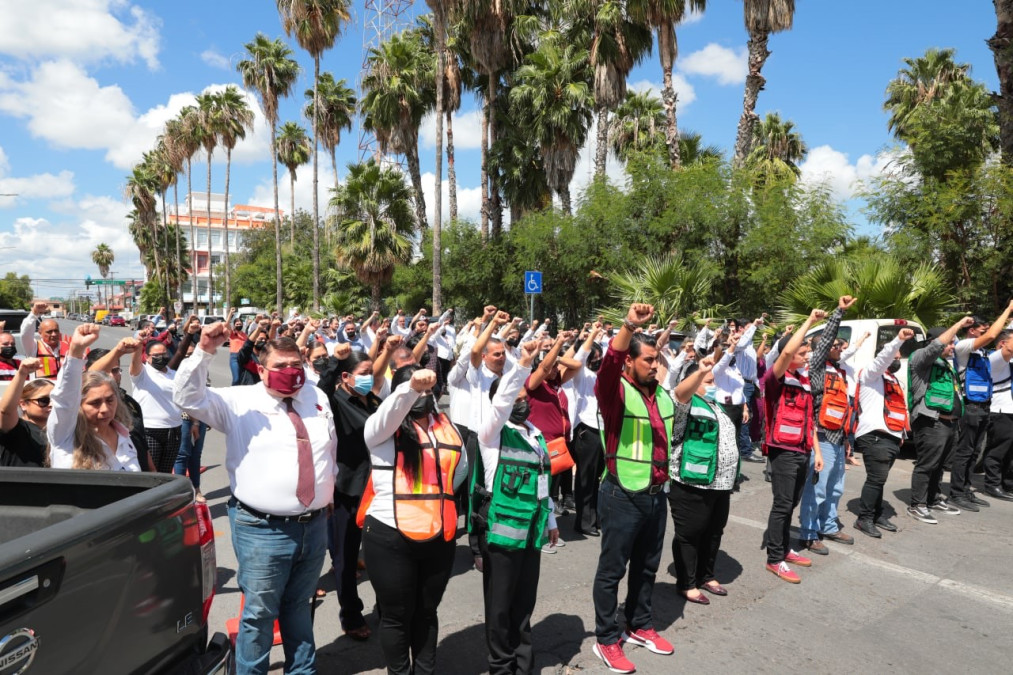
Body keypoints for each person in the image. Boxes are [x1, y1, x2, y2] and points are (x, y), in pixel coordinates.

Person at [174, 326, 337, 675]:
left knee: (298, 607)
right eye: (280, 365)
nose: (290, 370)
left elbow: (327, 452)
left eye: (295, 363)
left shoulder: (316, 396)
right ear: (261, 370)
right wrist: (203, 351)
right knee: (260, 615)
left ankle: (302, 671)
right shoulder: (238, 401)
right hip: (263, 530)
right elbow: (187, 397)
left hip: (314, 525)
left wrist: (329, 491)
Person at [359, 365, 467, 675]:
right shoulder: (382, 427)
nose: (423, 395)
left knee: (426, 612)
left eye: (428, 390)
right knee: (396, 615)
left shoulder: (448, 427)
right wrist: (409, 389)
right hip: (390, 535)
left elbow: (459, 471)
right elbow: (390, 413)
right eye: (415, 389)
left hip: (439, 534)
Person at [591, 303, 675, 674]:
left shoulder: (658, 393)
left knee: (647, 568)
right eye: (647, 361)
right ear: (630, 362)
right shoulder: (615, 392)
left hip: (657, 495)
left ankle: (639, 624)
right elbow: (608, 364)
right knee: (612, 571)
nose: (654, 366)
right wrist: (628, 325)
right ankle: (607, 639)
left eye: (657, 360)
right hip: (621, 494)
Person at [471, 340, 558, 674]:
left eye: (525, 400)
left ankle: (523, 665)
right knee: (500, 607)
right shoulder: (491, 433)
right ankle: (502, 667)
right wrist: (522, 365)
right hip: (503, 535)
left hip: (532, 532)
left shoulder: (535, 434)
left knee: (524, 604)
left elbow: (542, 481)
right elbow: (504, 400)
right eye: (515, 400)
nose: (522, 405)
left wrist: (550, 519)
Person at [316, 340, 394, 641]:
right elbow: (321, 390)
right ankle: (350, 615)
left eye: (370, 372)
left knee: (381, 556)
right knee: (346, 560)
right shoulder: (334, 402)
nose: (367, 377)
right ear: (346, 378)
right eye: (361, 373)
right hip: (346, 492)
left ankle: (386, 610)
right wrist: (335, 362)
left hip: (378, 491)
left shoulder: (372, 402)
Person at [761, 309, 826, 584]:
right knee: (782, 504)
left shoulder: (804, 381)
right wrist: (809, 322)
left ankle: (785, 549)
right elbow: (785, 355)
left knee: (792, 503)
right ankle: (775, 559)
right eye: (803, 352)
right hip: (782, 451)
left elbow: (809, 420)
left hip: (802, 451)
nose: (806, 355)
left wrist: (818, 451)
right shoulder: (774, 378)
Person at [667, 354, 737, 605]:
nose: (713, 384)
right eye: (707, 381)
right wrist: (698, 373)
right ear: (693, 381)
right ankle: (686, 583)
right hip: (691, 483)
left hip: (720, 484)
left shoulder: (715, 405)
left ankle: (706, 575)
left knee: (714, 531)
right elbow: (678, 396)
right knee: (690, 533)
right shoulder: (685, 404)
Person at [798, 296, 857, 555]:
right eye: (834, 345)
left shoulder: (839, 371)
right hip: (820, 437)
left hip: (837, 437)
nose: (840, 347)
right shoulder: (817, 367)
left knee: (835, 488)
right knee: (817, 489)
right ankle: (809, 532)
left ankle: (829, 525)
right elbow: (823, 346)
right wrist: (839, 313)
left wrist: (847, 441)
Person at [47, 324, 143, 471]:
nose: (105, 409)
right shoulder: (65, 435)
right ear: (78, 405)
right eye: (95, 403)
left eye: (110, 400)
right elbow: (65, 399)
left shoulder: (123, 435)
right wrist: (76, 350)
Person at [905, 317, 973, 521]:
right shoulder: (920, 358)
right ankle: (917, 504)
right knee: (927, 464)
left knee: (940, 464)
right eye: (951, 342)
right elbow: (936, 346)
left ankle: (933, 499)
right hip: (931, 421)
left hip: (949, 423)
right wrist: (959, 325)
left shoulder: (946, 364)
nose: (953, 346)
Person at [949, 303, 1013, 508]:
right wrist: (1008, 310)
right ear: (972, 330)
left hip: (983, 406)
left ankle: (966, 490)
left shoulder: (983, 353)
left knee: (975, 452)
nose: (987, 329)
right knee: (965, 451)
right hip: (970, 405)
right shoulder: (963, 347)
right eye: (982, 326)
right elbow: (999, 340)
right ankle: (956, 493)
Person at [852, 328, 915, 538]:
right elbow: (884, 357)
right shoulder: (871, 374)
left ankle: (877, 514)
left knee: (881, 479)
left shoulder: (894, 380)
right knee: (876, 478)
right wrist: (897, 340)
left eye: (899, 356)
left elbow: (901, 409)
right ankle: (864, 518)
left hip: (892, 437)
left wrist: (902, 436)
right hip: (875, 436)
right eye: (895, 355)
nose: (897, 359)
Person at [569, 327, 606, 537]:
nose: (597, 361)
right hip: (586, 430)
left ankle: (594, 517)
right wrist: (591, 336)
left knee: (597, 479)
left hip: (601, 430)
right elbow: (580, 357)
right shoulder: (581, 374)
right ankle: (583, 522)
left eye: (599, 357)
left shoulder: (599, 375)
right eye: (595, 357)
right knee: (585, 479)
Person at [0, 357, 51, 467]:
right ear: (23, 404)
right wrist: (22, 373)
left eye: (55, 400)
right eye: (44, 400)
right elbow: (5, 411)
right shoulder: (18, 429)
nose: (51, 404)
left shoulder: (62, 433)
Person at [981, 329, 1013, 501]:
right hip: (1000, 411)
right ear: (1002, 344)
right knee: (998, 450)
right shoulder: (995, 359)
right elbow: (1009, 350)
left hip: (1011, 411)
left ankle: (1008, 483)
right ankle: (992, 484)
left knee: (1010, 452)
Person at [21, 301, 72, 379]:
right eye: (49, 332)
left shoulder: (68, 346)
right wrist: (34, 313)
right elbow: (25, 333)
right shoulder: (34, 347)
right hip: (42, 389)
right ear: (40, 333)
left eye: (56, 331)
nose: (54, 334)